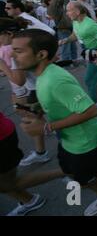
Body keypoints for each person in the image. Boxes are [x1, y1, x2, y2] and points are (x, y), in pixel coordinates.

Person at [12, 29, 97, 216]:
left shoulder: (55, 80)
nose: (13, 56)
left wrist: (46, 127)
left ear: (41, 54)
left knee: (86, 178)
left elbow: (91, 110)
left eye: (19, 51)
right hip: (70, 140)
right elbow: (59, 102)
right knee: (72, 170)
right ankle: (90, 171)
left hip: (83, 142)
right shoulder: (43, 75)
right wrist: (36, 109)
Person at [0, 17, 51, 166]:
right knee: (35, 117)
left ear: (9, 33)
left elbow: (19, 80)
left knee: (32, 120)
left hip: (33, 89)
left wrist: (3, 66)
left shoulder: (14, 50)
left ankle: (41, 152)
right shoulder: (26, 40)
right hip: (37, 86)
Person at [0, 111, 64, 216]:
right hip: (4, 133)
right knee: (5, 183)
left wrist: (48, 126)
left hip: (2, 138)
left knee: (5, 184)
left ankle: (65, 171)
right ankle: (29, 201)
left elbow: (90, 112)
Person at [59, 1, 97, 103]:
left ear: (78, 11)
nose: (67, 13)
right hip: (88, 51)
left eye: (69, 10)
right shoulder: (75, 21)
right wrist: (65, 40)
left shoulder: (90, 25)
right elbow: (76, 34)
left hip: (96, 52)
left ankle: (95, 104)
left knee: (89, 79)